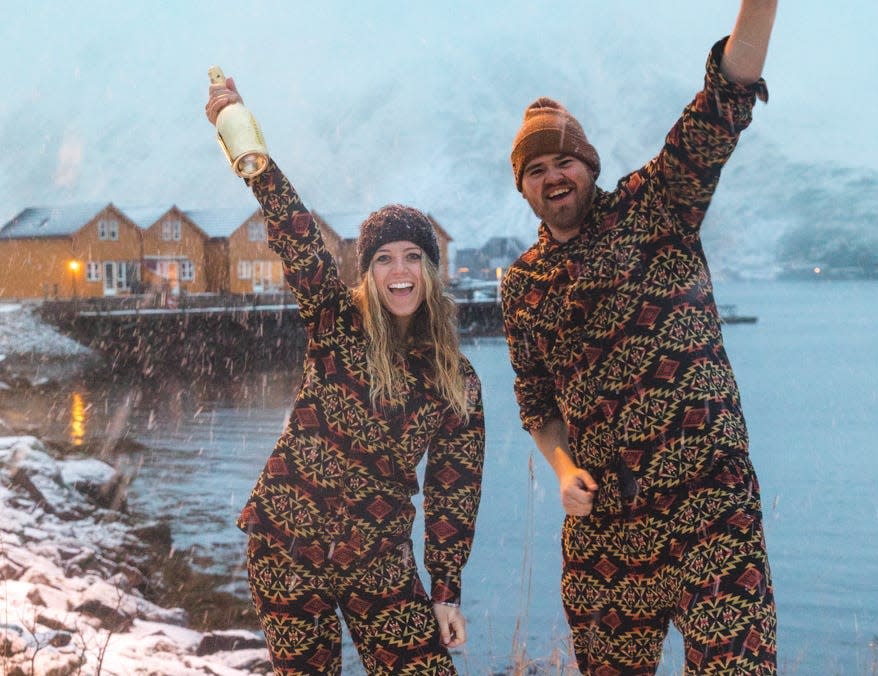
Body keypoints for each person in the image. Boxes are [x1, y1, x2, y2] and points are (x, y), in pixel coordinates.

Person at [500, 2, 778, 674]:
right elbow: (536, 403)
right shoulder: (522, 285)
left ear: (590, 166)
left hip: (708, 504)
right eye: (537, 169)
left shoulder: (658, 205)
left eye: (566, 160)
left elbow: (725, 95)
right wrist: (564, 472)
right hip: (605, 534)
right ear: (525, 187)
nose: (554, 175)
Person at [206, 79, 485, 676]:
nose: (399, 270)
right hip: (287, 540)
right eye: (384, 258)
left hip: (378, 555)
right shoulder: (337, 321)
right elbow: (297, 234)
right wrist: (243, 139)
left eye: (413, 256)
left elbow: (452, 494)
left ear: (431, 272)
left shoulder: (456, 380)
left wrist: (445, 590)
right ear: (368, 272)